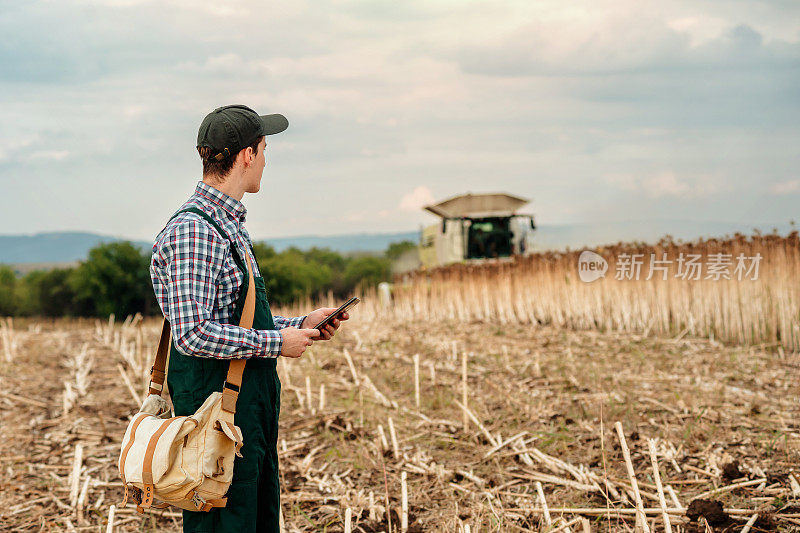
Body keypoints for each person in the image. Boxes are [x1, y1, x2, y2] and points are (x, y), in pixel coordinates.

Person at [149, 104, 349, 533]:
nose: (265, 160)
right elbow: (194, 333)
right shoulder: (195, 231)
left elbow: (234, 319)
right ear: (245, 155)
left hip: (244, 415)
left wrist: (297, 325)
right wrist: (277, 345)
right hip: (215, 418)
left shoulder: (228, 223)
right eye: (263, 149)